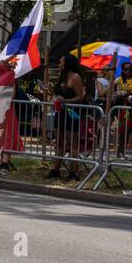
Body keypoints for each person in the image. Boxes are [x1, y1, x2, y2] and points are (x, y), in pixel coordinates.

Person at [47, 53, 87, 181]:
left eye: (62, 62)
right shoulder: (62, 77)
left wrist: (65, 101)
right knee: (58, 141)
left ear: (68, 63)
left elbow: (81, 97)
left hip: (72, 114)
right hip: (60, 113)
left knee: (72, 143)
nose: (59, 65)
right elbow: (56, 93)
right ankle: (55, 169)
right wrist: (51, 93)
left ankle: (74, 171)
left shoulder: (75, 77)